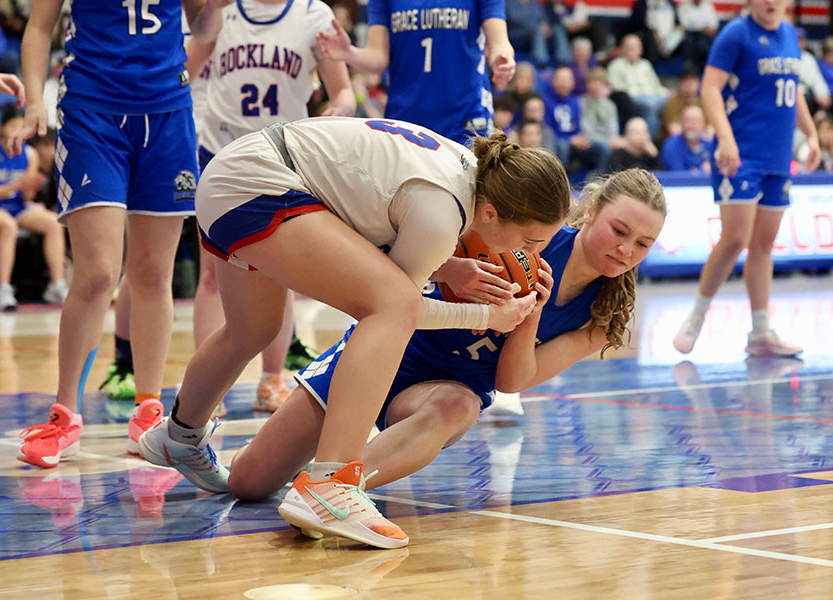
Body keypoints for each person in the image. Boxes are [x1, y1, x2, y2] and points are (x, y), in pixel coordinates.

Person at [138, 118, 571, 549]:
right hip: (261, 182)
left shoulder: (461, 174)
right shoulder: (444, 214)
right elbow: (400, 308)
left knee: (253, 328)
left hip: (237, 175)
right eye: (529, 241)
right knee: (391, 306)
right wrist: (486, 318)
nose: (529, 254)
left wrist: (450, 268)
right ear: (492, 212)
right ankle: (331, 484)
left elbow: (374, 240)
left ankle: (180, 436)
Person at [221, 169, 666, 541]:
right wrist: (456, 273)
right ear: (590, 212)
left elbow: (511, 381)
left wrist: (529, 315)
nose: (626, 250)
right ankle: (209, 442)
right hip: (392, 347)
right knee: (248, 483)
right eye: (619, 230)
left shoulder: (602, 315)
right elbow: (414, 260)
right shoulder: (533, 236)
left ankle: (334, 492)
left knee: (460, 406)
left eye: (643, 243)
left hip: (444, 390)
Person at [13, 0, 229, 469]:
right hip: (92, 111)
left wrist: (217, 7)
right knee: (98, 272)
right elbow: (38, 27)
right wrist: (34, 100)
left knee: (154, 273)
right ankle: (64, 414)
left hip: (167, 112)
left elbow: (205, 25)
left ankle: (149, 408)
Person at [188, 0, 356, 414]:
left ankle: (271, 379)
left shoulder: (313, 13)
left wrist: (342, 109)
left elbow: (344, 91)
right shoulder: (222, 10)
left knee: (279, 272)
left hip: (282, 155)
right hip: (220, 152)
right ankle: (209, 390)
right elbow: (183, 72)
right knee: (210, 275)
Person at [672, 0, 820, 358]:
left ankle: (760, 332)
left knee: (764, 245)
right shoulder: (736, 34)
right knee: (735, 238)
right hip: (740, 153)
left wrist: (811, 133)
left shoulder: (790, 36)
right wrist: (724, 137)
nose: (770, 2)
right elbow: (709, 88)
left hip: (778, 155)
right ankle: (696, 317)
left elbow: (793, 89)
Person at [315, 0, 515, 145]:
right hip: (406, 118)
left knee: (470, 198)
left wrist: (503, 57)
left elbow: (499, 42)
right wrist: (349, 53)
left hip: (465, 115)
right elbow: (378, 57)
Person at [0, 105, 67, 312]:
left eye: (21, 126)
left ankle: (56, 285)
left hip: (18, 206)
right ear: (3, 127)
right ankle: (4, 288)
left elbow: (26, 196)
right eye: (13, 125)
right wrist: (18, 186)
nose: (17, 130)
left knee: (53, 222)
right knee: (7, 225)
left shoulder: (29, 154)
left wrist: (30, 188)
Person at [660, 105, 714, 172]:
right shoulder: (671, 145)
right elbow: (677, 174)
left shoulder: (709, 145)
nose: (692, 125)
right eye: (688, 120)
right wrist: (702, 170)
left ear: (704, 125)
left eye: (696, 121)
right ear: (681, 123)